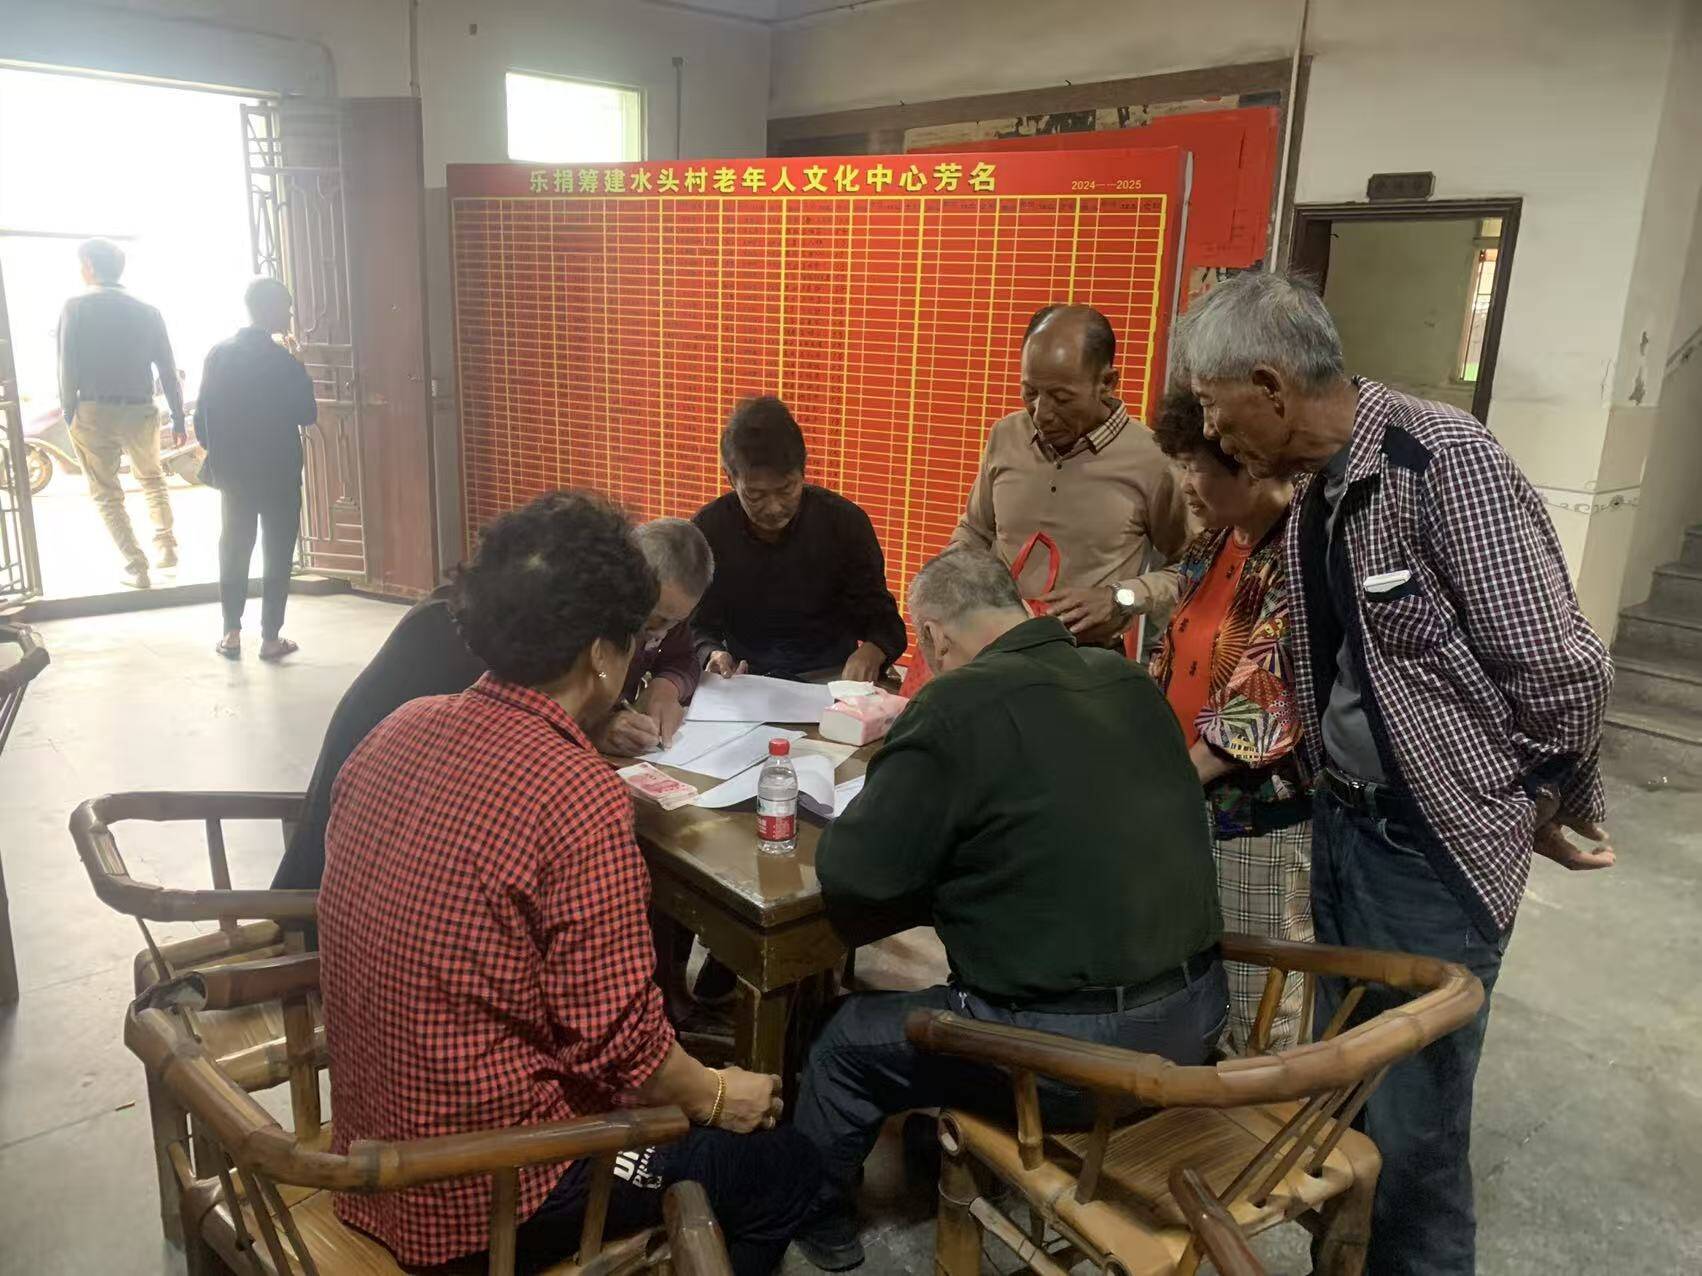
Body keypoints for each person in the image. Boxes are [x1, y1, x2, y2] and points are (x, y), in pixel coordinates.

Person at [1175, 271, 1614, 1276]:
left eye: (1212, 405)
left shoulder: (1442, 461)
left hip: (1428, 852)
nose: (1210, 430)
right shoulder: (1320, 485)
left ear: (1269, 385)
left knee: (1415, 1130)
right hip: (1345, 829)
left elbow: (1564, 670)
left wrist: (1540, 797)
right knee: (1354, 1101)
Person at [317, 491, 817, 1275]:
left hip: (372, 1148)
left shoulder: (399, 728)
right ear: (601, 656)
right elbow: (628, 1055)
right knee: (782, 1167)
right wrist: (722, 1096)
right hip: (492, 1190)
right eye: (637, 637)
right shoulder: (576, 794)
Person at [792, 547, 1226, 1271]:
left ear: (934, 638)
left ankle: (813, 1218)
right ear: (1019, 607)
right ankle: (955, 1122)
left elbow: (855, 874)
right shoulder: (1125, 679)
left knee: (844, 1041)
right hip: (1199, 1023)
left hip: (1070, 1057)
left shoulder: (955, 706)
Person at [272, 516, 715, 894]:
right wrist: (592, 725)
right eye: (643, 626)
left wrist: (655, 690)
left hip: (379, 901)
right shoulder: (459, 651)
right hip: (359, 881)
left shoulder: (492, 648)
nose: (645, 640)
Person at [1146, 388, 1311, 1054]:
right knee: (1195, 989)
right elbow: (1173, 647)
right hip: (1187, 802)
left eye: (1196, 466)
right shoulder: (1216, 541)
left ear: (1248, 464)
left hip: (1253, 822)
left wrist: (1159, 787)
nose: (1185, 484)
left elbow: (1263, 705)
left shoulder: (1298, 555)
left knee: (1261, 1005)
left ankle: (1270, 1121)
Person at [949, 304, 1190, 646]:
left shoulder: (1153, 459)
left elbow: (1194, 569)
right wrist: (949, 575)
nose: (1041, 414)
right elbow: (975, 530)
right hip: (994, 648)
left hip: (1086, 658)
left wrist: (1119, 597)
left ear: (1107, 383)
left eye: (1061, 398)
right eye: (1030, 393)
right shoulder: (1006, 435)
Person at [693, 396, 906, 681]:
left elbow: (886, 623)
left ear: (803, 471)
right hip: (745, 678)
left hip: (831, 676)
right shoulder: (709, 529)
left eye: (786, 489)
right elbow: (696, 626)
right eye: (755, 495)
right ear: (731, 479)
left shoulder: (844, 523)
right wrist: (712, 653)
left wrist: (872, 650)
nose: (774, 508)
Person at [195, 278, 318, 661]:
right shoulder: (283, 360)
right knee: (277, 552)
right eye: (287, 307)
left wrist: (222, 454)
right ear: (271, 309)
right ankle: (270, 639)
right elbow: (307, 414)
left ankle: (231, 634)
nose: (291, 314)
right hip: (279, 471)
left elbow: (201, 417)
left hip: (234, 474)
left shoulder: (218, 354)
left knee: (234, 549)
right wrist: (301, 367)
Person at [55, 237, 186, 590]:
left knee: (106, 493)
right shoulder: (148, 311)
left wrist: (69, 411)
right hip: (140, 408)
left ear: (89, 266)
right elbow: (168, 369)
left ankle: (136, 565)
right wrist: (177, 416)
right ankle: (166, 546)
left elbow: (66, 366)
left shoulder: (75, 307)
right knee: (152, 478)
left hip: (94, 408)